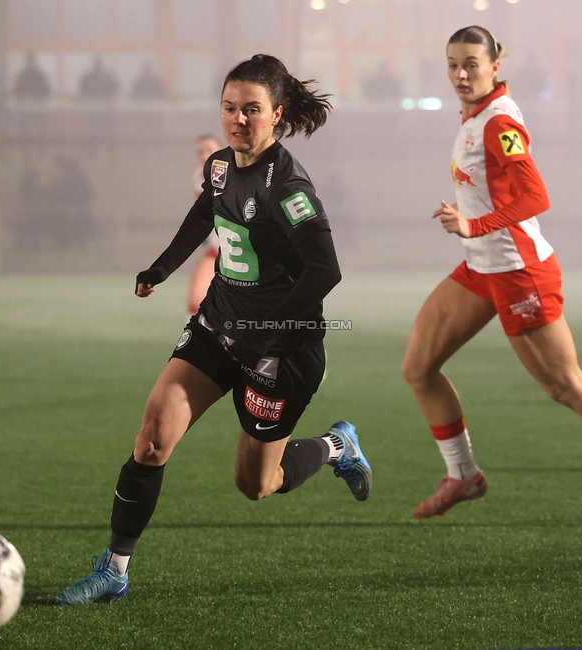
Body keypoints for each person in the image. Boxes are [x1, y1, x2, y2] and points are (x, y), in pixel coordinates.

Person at [56, 54, 373, 606]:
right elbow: (205, 211)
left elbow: (327, 269)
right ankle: (114, 570)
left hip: (281, 349)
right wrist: (161, 266)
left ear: (276, 114)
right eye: (230, 108)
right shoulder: (221, 165)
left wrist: (265, 334)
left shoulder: (289, 186)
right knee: (153, 438)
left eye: (252, 109)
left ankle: (334, 445)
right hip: (217, 322)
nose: (238, 119)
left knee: (256, 485)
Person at [401, 26, 582, 527]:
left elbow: (535, 198)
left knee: (564, 386)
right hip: (480, 267)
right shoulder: (473, 116)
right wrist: (470, 217)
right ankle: (463, 474)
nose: (461, 74)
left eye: (471, 63)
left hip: (518, 272)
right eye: (452, 64)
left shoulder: (498, 122)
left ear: (495, 65)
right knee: (419, 368)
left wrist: (474, 223)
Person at [186, 134, 223, 314]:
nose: (205, 155)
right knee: (196, 296)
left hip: (239, 253)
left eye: (209, 150)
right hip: (216, 250)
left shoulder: (234, 173)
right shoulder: (198, 175)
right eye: (201, 151)